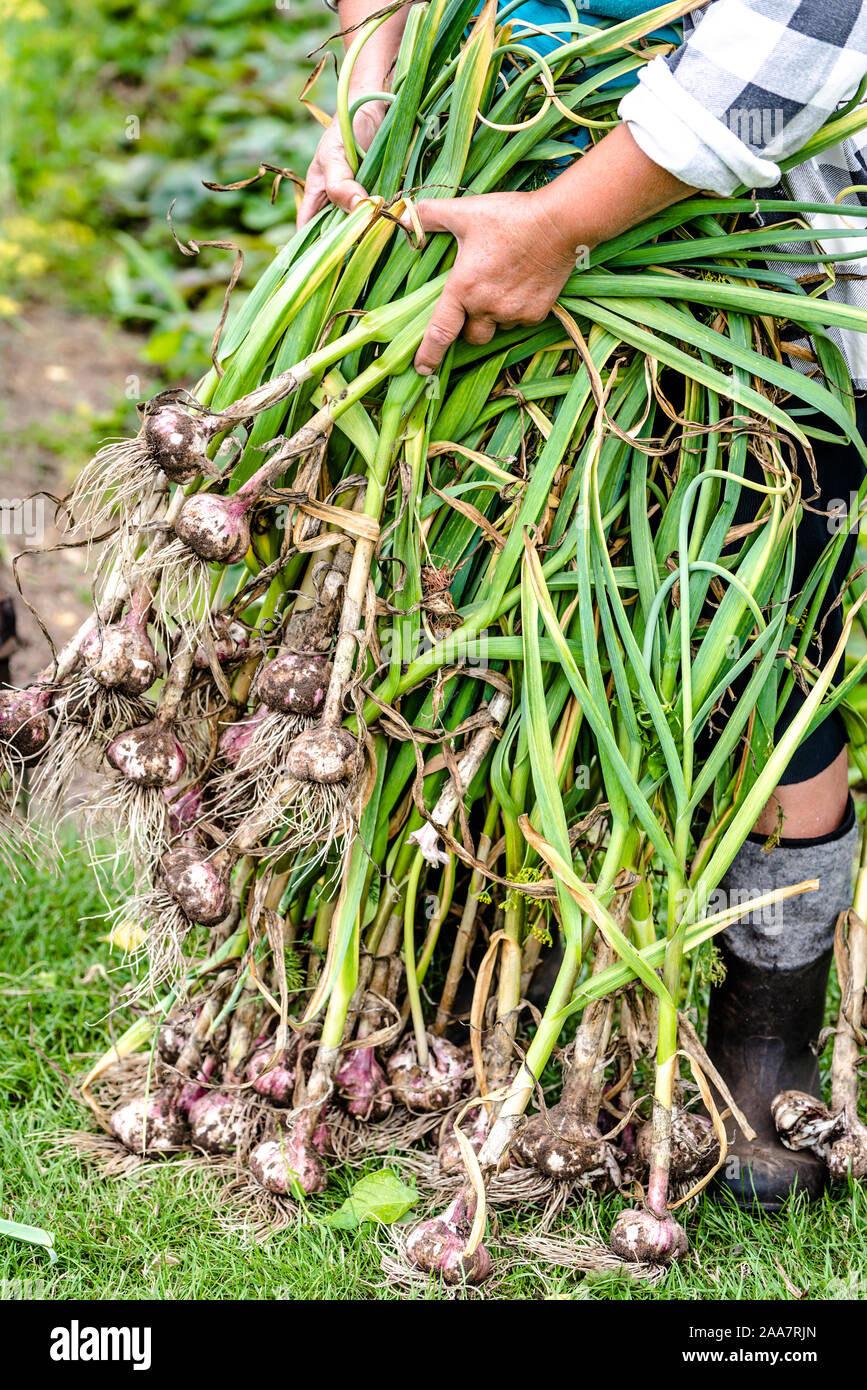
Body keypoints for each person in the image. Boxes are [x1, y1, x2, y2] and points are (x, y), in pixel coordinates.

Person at [299, 0, 867, 1209]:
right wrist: (371, 98)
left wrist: (563, 220)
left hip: (751, 254)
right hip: (477, 194)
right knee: (464, 598)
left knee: (758, 647)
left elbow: (804, 27)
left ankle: (764, 1040)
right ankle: (462, 1004)